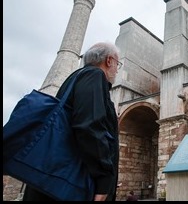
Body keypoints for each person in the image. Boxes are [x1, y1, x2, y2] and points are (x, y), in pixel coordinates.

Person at [23, 42, 122, 201]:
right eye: (118, 64)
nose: (117, 69)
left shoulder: (76, 78)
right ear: (109, 61)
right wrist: (104, 181)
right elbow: (89, 127)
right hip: (69, 185)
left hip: (54, 179)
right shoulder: (93, 76)